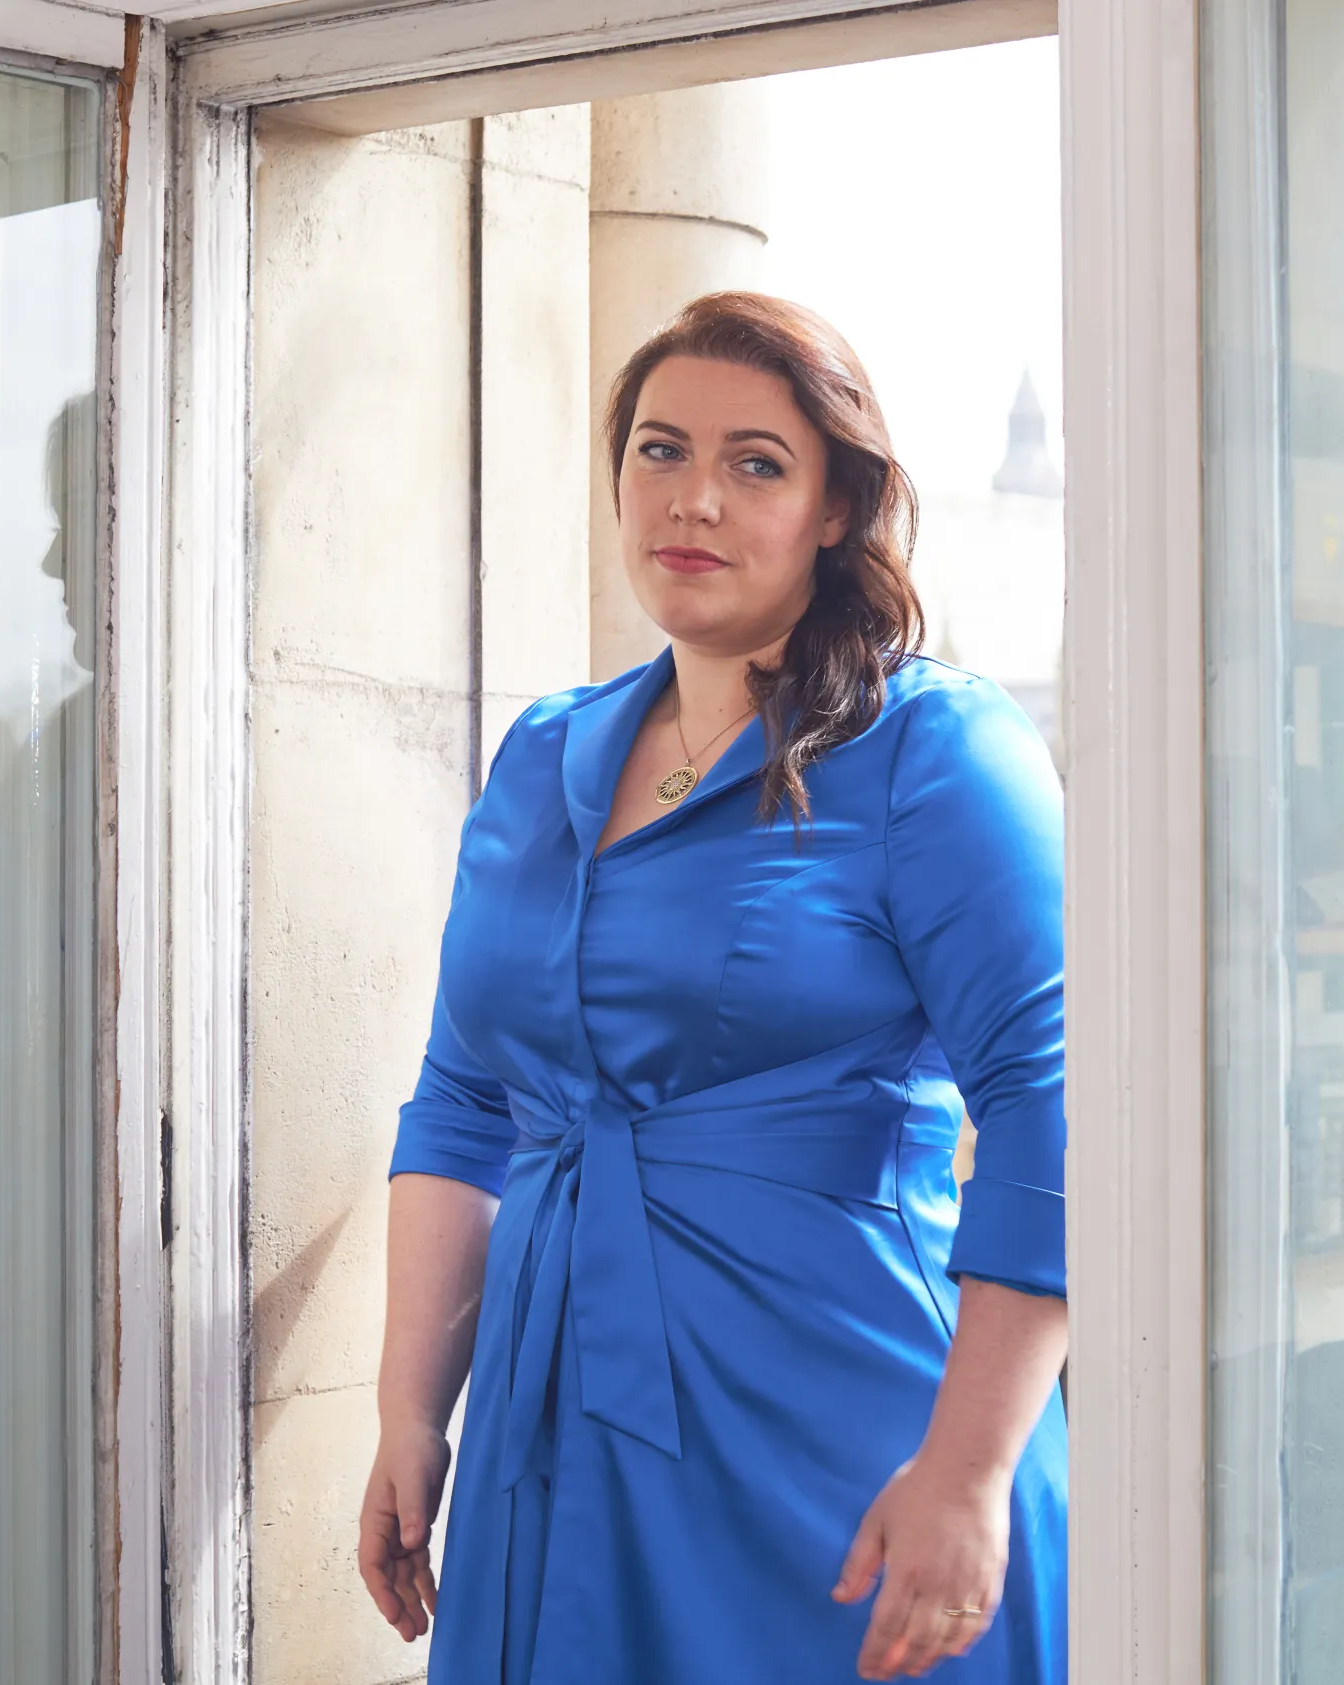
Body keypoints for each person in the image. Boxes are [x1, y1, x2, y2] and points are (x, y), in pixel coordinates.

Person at [358, 293, 1069, 1683]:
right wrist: (410, 1412)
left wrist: (970, 1473)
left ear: (831, 509)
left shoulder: (940, 750)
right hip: (547, 1423)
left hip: (853, 1445)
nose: (693, 498)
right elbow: (460, 1104)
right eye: (660, 450)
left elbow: (1055, 1112)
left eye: (756, 463)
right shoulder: (540, 756)